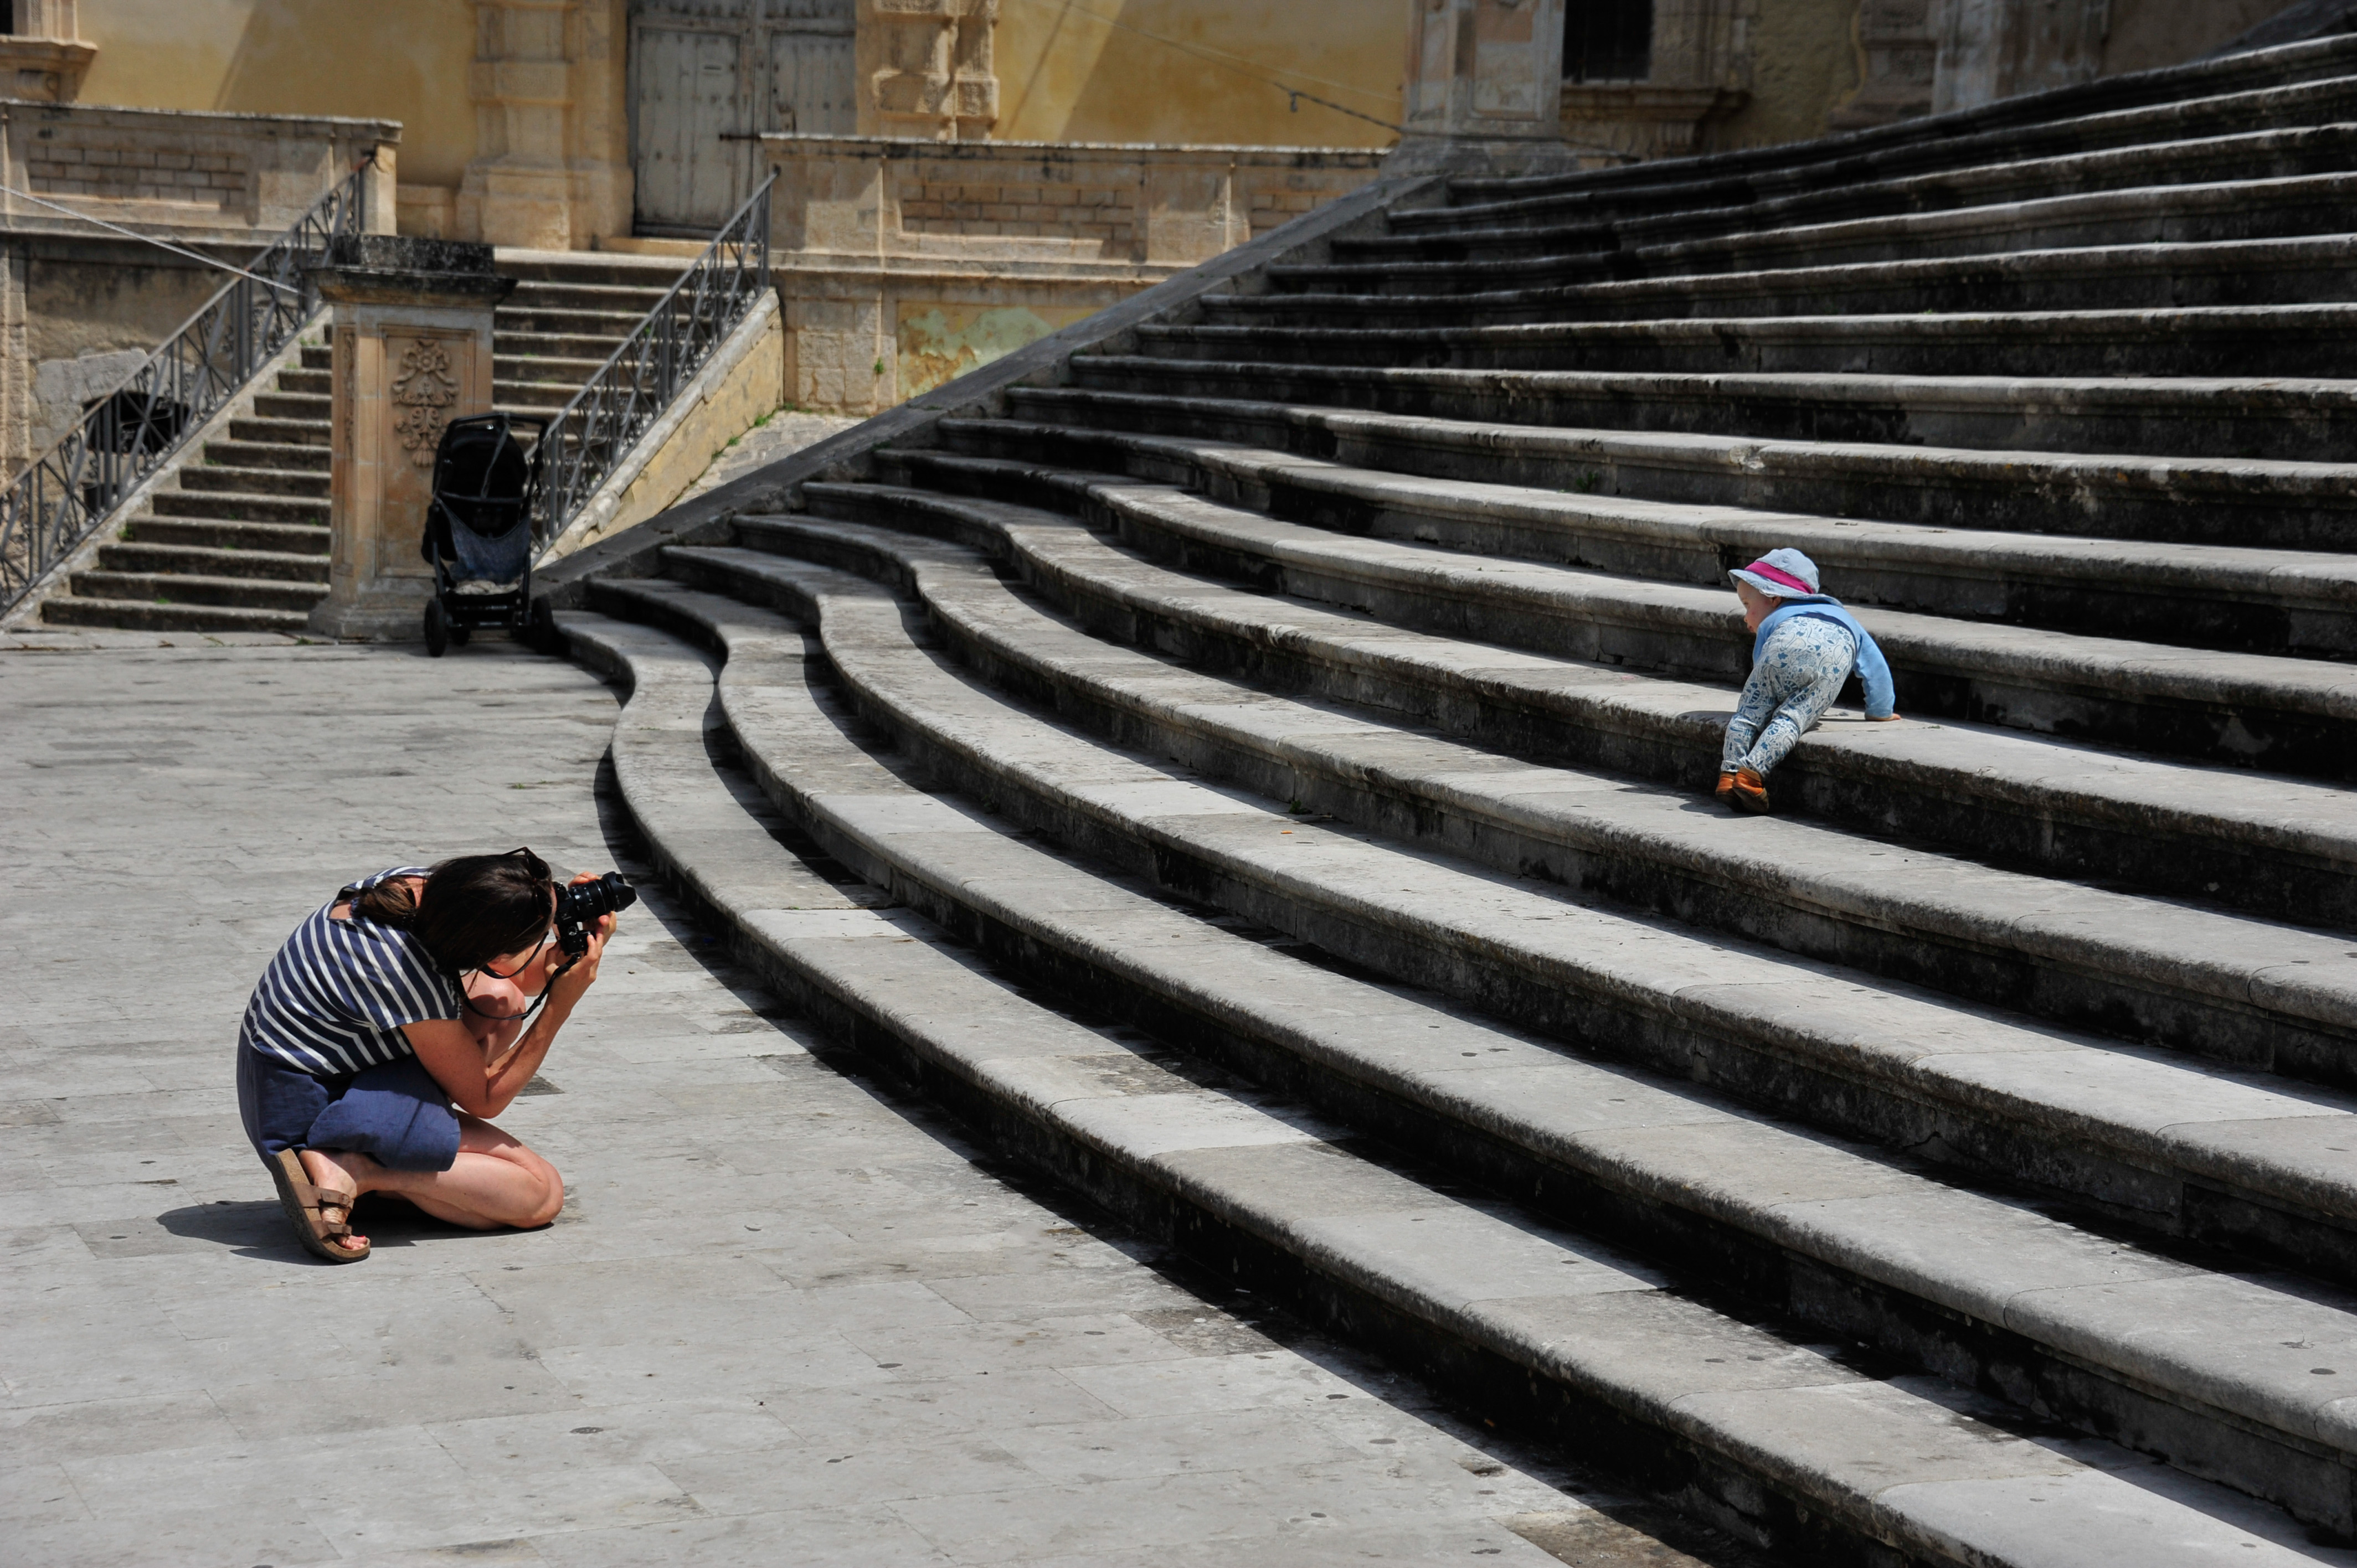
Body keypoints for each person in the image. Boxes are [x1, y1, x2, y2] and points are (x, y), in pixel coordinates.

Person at [234, 848, 616, 1262]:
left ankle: (396, 1161)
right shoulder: (407, 975)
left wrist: (568, 934)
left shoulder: (409, 889)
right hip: (307, 1114)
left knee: (500, 1002)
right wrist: (560, 1006)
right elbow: (486, 1099)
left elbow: (514, 977)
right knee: (539, 1195)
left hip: (288, 1076)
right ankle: (358, 1168)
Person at [1718, 548, 1901, 814]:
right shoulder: (1848, 621)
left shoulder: (1776, 620)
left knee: (1746, 716)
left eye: (1748, 605)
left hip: (1780, 649)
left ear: (1774, 598)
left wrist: (1763, 699)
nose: (1746, 616)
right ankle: (1751, 777)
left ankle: (1729, 774)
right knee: (1791, 719)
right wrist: (1880, 711)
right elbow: (1876, 669)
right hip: (1831, 662)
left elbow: (1762, 663)